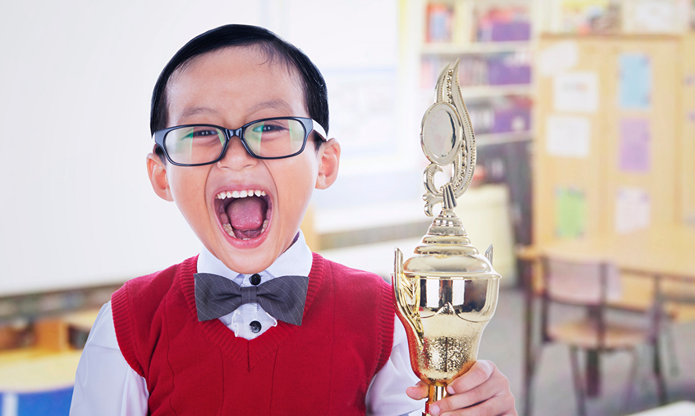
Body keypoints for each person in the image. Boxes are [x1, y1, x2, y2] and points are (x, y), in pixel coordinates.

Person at [69, 24, 516, 416]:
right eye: (202, 133)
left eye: (269, 126)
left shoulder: (385, 315)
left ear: (324, 162)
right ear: (161, 174)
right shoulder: (127, 324)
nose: (238, 156)